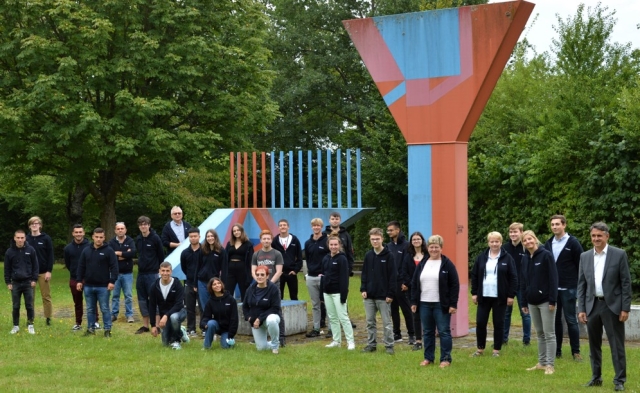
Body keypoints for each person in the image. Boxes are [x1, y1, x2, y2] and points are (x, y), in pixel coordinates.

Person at [578, 222, 631, 391]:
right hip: (592, 306)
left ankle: (619, 380)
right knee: (594, 345)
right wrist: (581, 308)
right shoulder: (585, 256)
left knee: (616, 345)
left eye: (599, 236)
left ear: (607, 236)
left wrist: (625, 308)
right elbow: (581, 285)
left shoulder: (619, 254)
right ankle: (596, 377)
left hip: (612, 307)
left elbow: (625, 283)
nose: (596, 239)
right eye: (593, 236)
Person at [410, 234, 459, 368]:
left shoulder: (447, 264)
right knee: (427, 332)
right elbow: (414, 283)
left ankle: (445, 359)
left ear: (441, 248)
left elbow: (455, 284)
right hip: (424, 303)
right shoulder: (423, 264)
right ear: (427, 248)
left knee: (444, 331)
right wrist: (414, 302)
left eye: (436, 247)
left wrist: (453, 304)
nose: (434, 250)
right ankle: (428, 358)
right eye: (431, 247)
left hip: (441, 304)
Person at [470, 232, 517, 357]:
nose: (494, 244)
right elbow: (474, 275)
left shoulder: (507, 258)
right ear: (488, 243)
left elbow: (513, 277)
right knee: (480, 322)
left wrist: (511, 295)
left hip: (500, 297)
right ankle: (480, 348)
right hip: (484, 296)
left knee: (498, 323)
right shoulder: (481, 257)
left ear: (501, 243)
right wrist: (474, 293)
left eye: (497, 241)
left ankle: (496, 350)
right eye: (492, 241)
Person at [543, 214, 584, 361]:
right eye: (552, 224)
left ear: (564, 225)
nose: (555, 227)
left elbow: (581, 265)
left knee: (571, 319)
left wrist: (579, 285)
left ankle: (576, 352)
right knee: (555, 321)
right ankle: (557, 351)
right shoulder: (548, 243)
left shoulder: (573, 243)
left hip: (569, 288)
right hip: (553, 289)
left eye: (557, 224)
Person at [520, 230, 558, 375]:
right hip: (531, 301)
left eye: (530, 239)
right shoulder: (524, 258)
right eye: (525, 240)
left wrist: (552, 300)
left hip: (546, 301)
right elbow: (523, 281)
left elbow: (553, 279)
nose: (528, 242)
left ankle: (550, 365)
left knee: (549, 334)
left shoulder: (546, 255)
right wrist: (524, 302)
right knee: (540, 333)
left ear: (535, 239)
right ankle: (541, 363)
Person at [76, 228, 118, 337]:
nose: (98, 239)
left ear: (104, 238)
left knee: (104, 308)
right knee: (90, 309)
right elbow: (81, 266)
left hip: (103, 286)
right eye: (96, 237)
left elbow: (114, 267)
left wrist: (112, 281)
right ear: (93, 237)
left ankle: (107, 330)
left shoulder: (109, 251)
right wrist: (79, 281)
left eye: (101, 237)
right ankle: (90, 329)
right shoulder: (86, 250)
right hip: (88, 285)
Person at [360, 228, 397, 355]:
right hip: (369, 295)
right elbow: (364, 274)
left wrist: (390, 294)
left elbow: (393, 276)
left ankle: (389, 345)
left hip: (384, 296)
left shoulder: (389, 255)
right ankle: (371, 344)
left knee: (386, 323)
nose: (375, 241)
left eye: (377, 239)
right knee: (370, 322)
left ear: (382, 239)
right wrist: (363, 289)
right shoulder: (368, 255)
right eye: (372, 239)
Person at [251, 229, 286, 346]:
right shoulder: (256, 254)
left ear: (271, 240)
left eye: (268, 238)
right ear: (261, 240)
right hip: (259, 287)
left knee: (277, 311)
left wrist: (268, 284)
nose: (266, 240)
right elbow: (253, 271)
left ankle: (281, 338)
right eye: (264, 238)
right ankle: (259, 335)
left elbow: (279, 271)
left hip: (273, 286)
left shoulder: (277, 254)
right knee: (257, 310)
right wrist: (260, 282)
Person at [322, 235, 355, 350]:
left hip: (338, 293)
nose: (333, 247)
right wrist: (323, 291)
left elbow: (344, 279)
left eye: (335, 244)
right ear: (328, 245)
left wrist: (343, 295)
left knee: (343, 317)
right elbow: (324, 276)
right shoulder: (326, 258)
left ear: (339, 245)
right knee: (332, 317)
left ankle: (351, 342)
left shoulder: (342, 259)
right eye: (331, 244)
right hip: (327, 293)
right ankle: (336, 340)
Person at [134, 216, 165, 334]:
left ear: (149, 225)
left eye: (145, 224)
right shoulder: (138, 239)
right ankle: (145, 325)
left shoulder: (155, 238)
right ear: (139, 226)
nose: (143, 226)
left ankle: (156, 325)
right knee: (142, 300)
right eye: (141, 224)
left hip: (152, 274)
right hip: (141, 274)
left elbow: (161, 255)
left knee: (154, 299)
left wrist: (160, 270)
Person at [149, 262, 189, 350]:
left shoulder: (177, 284)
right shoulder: (154, 286)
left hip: (179, 312)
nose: (165, 273)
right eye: (163, 271)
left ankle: (176, 341)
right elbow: (152, 306)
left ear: (171, 272)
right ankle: (181, 331)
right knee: (165, 343)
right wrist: (153, 325)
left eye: (167, 271)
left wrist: (166, 316)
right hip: (165, 316)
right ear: (159, 271)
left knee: (173, 317)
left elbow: (179, 304)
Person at [5, 229, 38, 335]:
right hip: (15, 283)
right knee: (16, 305)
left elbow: (35, 266)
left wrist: (34, 279)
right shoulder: (9, 252)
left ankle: (30, 324)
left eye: (22, 238)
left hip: (28, 282)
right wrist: (8, 282)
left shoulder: (31, 250)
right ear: (14, 238)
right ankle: (16, 326)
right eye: (18, 238)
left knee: (29, 305)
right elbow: (7, 268)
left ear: (25, 238)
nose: (20, 240)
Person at [64, 224, 97, 331]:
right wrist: (76, 273)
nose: (78, 234)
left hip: (89, 278)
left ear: (83, 233)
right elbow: (68, 264)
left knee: (91, 301)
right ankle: (78, 322)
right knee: (77, 302)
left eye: (80, 232)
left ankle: (95, 322)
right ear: (73, 233)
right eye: (76, 232)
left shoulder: (90, 246)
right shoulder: (68, 248)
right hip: (74, 278)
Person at [503, 222, 531, 346]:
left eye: (515, 232)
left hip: (522, 286)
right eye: (511, 232)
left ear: (521, 232)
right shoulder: (504, 248)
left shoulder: (526, 248)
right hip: (507, 286)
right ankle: (503, 339)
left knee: (525, 313)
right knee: (505, 314)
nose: (513, 234)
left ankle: (526, 340)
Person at [243, 265, 281, 354]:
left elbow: (275, 308)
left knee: (271, 320)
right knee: (261, 348)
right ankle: (270, 344)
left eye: (262, 275)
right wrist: (248, 317)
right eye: (257, 274)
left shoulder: (273, 289)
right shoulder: (250, 289)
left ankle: (275, 346)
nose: (259, 277)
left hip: (270, 317)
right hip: (255, 322)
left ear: (267, 276)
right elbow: (245, 306)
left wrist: (260, 318)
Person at [386, 221, 414, 343]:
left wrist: (405, 282)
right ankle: (397, 333)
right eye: (388, 230)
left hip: (402, 283)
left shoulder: (407, 246)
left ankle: (412, 334)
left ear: (398, 230)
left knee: (406, 310)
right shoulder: (388, 246)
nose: (389, 232)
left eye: (391, 230)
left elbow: (407, 265)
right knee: (393, 310)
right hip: (391, 283)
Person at [26, 216, 54, 326]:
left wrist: (49, 271)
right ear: (29, 226)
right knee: (30, 297)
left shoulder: (46, 238)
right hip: (29, 273)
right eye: (32, 223)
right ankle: (30, 318)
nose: (34, 225)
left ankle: (48, 318)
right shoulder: (26, 239)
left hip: (43, 272)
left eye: (36, 223)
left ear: (40, 226)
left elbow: (50, 256)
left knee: (46, 296)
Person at [304, 218, 329, 338]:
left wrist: (326, 273)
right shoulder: (308, 243)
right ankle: (316, 328)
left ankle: (331, 329)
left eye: (318, 225)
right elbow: (307, 259)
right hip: (311, 277)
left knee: (328, 304)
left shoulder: (327, 241)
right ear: (311, 227)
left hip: (324, 277)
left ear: (321, 227)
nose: (316, 227)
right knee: (315, 305)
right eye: (314, 226)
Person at [403, 232, 428, 351]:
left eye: (418, 239)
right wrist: (412, 284)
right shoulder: (408, 255)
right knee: (416, 315)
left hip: (428, 289)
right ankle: (418, 341)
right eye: (414, 239)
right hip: (413, 290)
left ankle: (429, 338)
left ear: (422, 240)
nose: (416, 241)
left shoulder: (428, 255)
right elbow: (404, 272)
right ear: (411, 242)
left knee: (428, 315)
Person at [109, 222, 137, 323]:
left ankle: (129, 315)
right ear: (115, 230)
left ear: (125, 230)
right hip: (115, 273)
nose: (120, 230)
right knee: (115, 296)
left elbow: (132, 253)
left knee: (128, 296)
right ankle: (114, 314)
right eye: (118, 229)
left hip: (127, 273)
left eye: (122, 228)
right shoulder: (111, 242)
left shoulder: (130, 241)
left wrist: (119, 253)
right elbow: (110, 256)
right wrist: (125, 254)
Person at [201, 277, 239, 350]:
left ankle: (230, 341)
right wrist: (204, 324)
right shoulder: (210, 301)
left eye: (218, 283)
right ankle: (206, 347)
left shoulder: (231, 299)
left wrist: (231, 334)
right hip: (216, 326)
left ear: (221, 285)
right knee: (210, 323)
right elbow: (205, 316)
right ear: (211, 287)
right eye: (214, 284)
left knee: (225, 347)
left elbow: (234, 318)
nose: (217, 285)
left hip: (227, 329)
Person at [197, 229, 227, 317]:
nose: (210, 238)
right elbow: (198, 267)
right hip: (202, 282)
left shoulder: (221, 251)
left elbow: (224, 269)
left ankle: (216, 324)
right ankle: (207, 325)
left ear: (215, 237)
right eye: (208, 236)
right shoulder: (202, 250)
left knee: (215, 304)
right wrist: (195, 282)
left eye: (211, 236)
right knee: (204, 305)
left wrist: (223, 284)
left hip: (214, 282)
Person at [271, 219, 303, 301]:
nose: (283, 227)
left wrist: (295, 270)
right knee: (278, 297)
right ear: (278, 228)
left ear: (288, 227)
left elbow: (299, 257)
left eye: (284, 225)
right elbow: (272, 257)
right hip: (279, 273)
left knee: (294, 297)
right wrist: (276, 270)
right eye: (281, 225)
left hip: (291, 273)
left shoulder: (294, 240)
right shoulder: (275, 241)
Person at [180, 227, 202, 337]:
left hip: (202, 283)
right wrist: (191, 281)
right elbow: (184, 268)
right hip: (188, 283)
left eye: (195, 236)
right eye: (191, 237)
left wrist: (198, 283)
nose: (193, 238)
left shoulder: (204, 251)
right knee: (190, 307)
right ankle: (191, 329)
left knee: (203, 307)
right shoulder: (184, 253)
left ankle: (204, 328)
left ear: (199, 237)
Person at [224, 223, 254, 301]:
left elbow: (251, 259)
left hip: (243, 270)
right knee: (227, 291)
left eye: (238, 230)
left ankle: (246, 311)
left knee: (244, 292)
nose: (236, 232)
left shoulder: (248, 244)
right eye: (234, 231)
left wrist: (250, 273)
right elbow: (225, 257)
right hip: (230, 270)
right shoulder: (229, 243)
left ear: (242, 231)